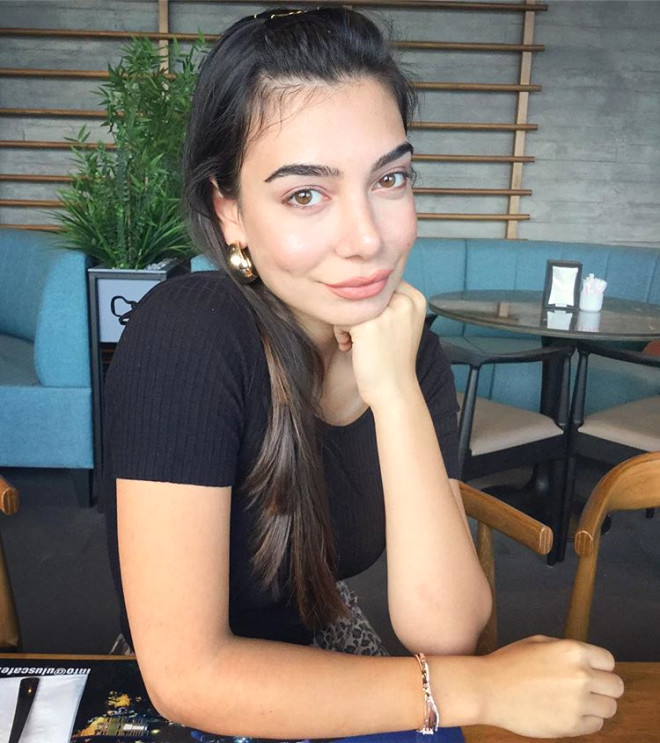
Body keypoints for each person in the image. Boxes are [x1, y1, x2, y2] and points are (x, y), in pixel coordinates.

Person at [103, 7, 623, 742]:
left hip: (333, 652)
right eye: (304, 194)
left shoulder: (408, 350)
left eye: (390, 178)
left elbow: (443, 627)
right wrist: (480, 687)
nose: (367, 238)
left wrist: (395, 388)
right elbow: (187, 676)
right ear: (230, 211)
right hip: (192, 699)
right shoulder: (189, 335)